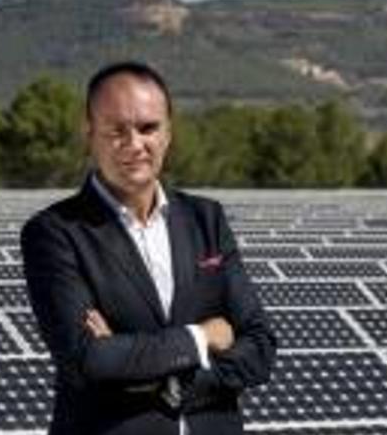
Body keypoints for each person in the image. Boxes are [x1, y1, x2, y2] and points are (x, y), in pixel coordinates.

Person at [21, 61, 276, 435]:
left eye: (148, 128)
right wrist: (201, 338)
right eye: (116, 130)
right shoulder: (55, 233)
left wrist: (160, 379)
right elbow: (86, 359)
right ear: (89, 134)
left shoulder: (207, 220)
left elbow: (260, 348)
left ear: (168, 134)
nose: (134, 144)